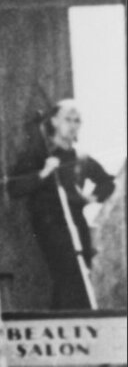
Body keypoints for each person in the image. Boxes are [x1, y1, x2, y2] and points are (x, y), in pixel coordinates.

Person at [8, 99, 117, 310]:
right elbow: (14, 188)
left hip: (76, 219)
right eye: (68, 119)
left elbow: (107, 182)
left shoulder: (80, 158)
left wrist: (90, 198)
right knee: (68, 270)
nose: (73, 125)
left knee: (82, 267)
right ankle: (66, 317)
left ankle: (73, 317)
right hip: (50, 221)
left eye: (77, 121)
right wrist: (44, 173)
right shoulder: (40, 154)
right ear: (55, 121)